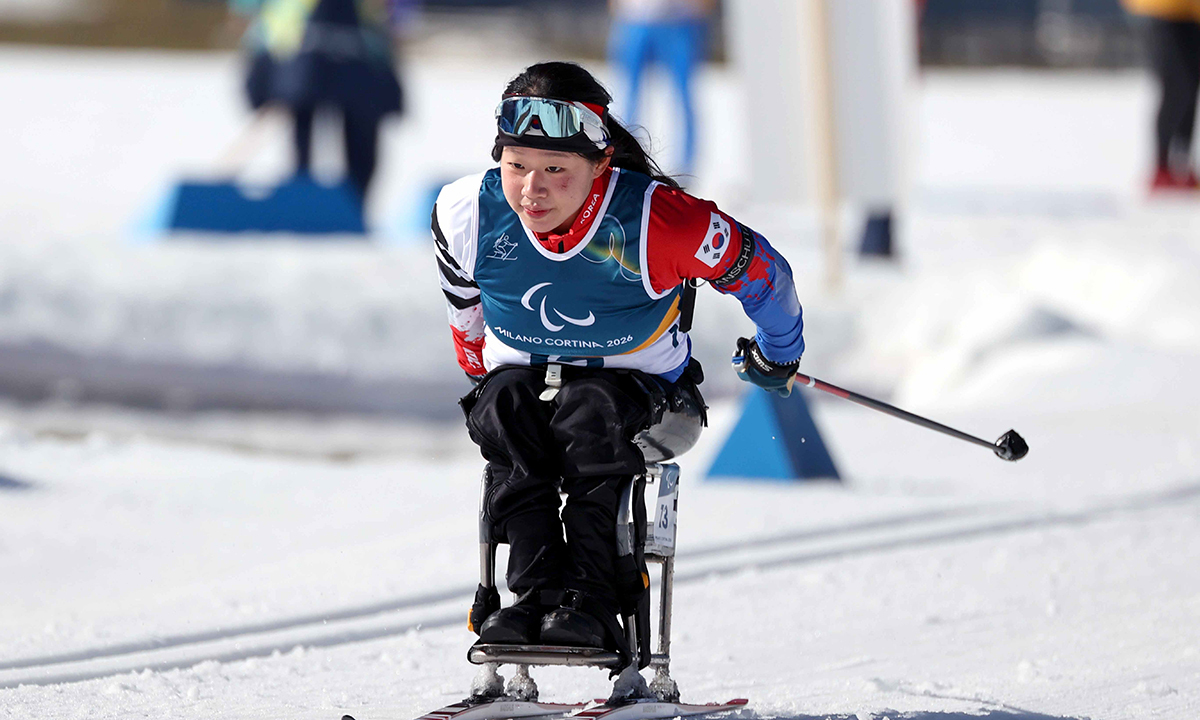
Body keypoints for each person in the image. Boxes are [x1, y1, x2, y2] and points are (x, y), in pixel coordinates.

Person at [432, 62, 804, 656]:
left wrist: (779, 352)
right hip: (530, 387)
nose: (531, 189)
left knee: (587, 408)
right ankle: (532, 598)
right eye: (516, 165)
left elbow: (765, 274)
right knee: (503, 405)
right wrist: (500, 401)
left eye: (556, 169)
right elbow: (468, 331)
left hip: (646, 400)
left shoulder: (663, 221)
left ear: (601, 164)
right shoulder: (464, 213)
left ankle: (595, 600)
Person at [231, 0, 403, 201]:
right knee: (306, 139)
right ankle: (307, 199)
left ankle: (342, 203)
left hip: (344, 58)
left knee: (356, 136)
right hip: (306, 59)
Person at [607, 0, 716, 177]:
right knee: (626, 94)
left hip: (678, 20)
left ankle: (686, 168)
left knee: (683, 96)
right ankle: (624, 159)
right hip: (634, 18)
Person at [1122, 0, 1200, 191]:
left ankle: (1182, 164)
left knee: (1191, 87)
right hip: (1160, 10)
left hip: (1191, 13)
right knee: (1177, 87)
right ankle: (1161, 166)